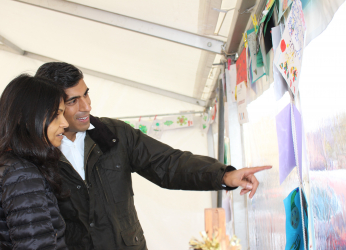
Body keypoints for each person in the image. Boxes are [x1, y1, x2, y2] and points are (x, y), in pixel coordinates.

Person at [35, 62, 272, 250]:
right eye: (73, 101)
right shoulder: (36, 154)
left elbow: (168, 163)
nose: (86, 106)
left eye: (86, 94)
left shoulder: (115, 135)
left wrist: (224, 175)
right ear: (50, 106)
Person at [0, 75, 70, 250]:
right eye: (56, 115)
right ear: (25, 118)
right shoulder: (22, 174)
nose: (65, 123)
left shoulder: (7, 164)